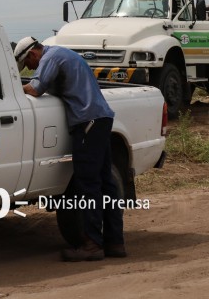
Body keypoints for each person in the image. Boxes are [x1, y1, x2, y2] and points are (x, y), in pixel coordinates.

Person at [14, 37, 126, 262]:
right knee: (106, 183)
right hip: (100, 119)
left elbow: (35, 88)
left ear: (33, 54)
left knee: (88, 184)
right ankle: (115, 242)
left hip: (87, 122)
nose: (31, 69)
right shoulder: (62, 54)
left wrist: (13, 90)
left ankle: (92, 245)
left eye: (28, 64)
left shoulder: (50, 58)